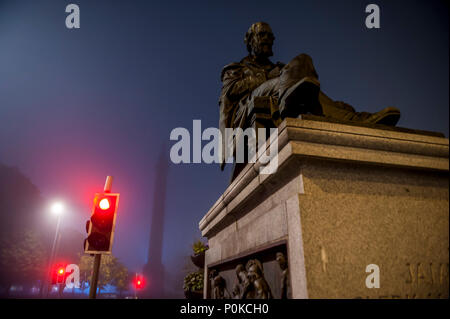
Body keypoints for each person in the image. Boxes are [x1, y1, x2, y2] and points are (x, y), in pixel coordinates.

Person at [219, 22, 401, 170]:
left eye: (270, 36)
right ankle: (289, 100)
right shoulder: (237, 69)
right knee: (289, 79)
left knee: (302, 61)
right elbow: (230, 93)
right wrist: (266, 77)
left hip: (280, 86)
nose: (268, 39)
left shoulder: (279, 68)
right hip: (250, 104)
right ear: (250, 41)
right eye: (262, 35)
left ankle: (353, 118)